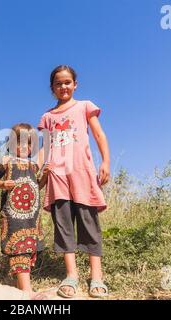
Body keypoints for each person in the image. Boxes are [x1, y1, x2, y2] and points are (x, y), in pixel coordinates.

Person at [37, 65, 111, 298]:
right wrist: (31, 171)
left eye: (67, 82)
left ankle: (96, 277)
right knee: (63, 224)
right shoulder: (48, 117)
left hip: (82, 172)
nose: (63, 87)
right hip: (57, 176)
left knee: (89, 223)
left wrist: (105, 162)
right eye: (58, 83)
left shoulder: (84, 106)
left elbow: (99, 135)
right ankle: (71, 275)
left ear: (75, 84)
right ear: (52, 88)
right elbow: (45, 148)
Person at [0, 123, 51, 300]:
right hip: (13, 215)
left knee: (30, 248)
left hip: (32, 216)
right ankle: (27, 292)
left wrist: (45, 176)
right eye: (20, 142)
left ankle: (20, 288)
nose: (25, 146)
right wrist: (2, 184)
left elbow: (36, 186)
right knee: (20, 247)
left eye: (29, 143)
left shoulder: (33, 166)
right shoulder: (6, 161)